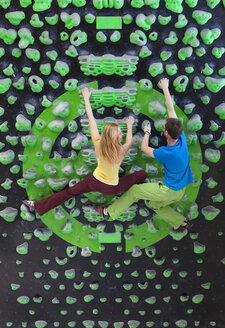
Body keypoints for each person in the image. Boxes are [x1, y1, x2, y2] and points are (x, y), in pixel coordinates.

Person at [23, 87, 147, 216]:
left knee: (68, 193)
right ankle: (134, 196)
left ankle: (36, 206)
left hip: (94, 182)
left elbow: (91, 120)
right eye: (120, 134)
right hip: (112, 188)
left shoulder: (98, 143)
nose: (121, 135)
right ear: (115, 137)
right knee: (141, 174)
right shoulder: (121, 150)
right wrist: (129, 126)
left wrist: (86, 98)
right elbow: (129, 143)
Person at [97, 78, 193, 230]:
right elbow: (170, 108)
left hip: (169, 191)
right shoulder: (181, 138)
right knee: (154, 204)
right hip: (181, 190)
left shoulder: (166, 153)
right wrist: (165, 88)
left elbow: (144, 148)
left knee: (135, 191)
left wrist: (147, 133)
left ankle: (109, 212)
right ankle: (180, 222)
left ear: (165, 132)